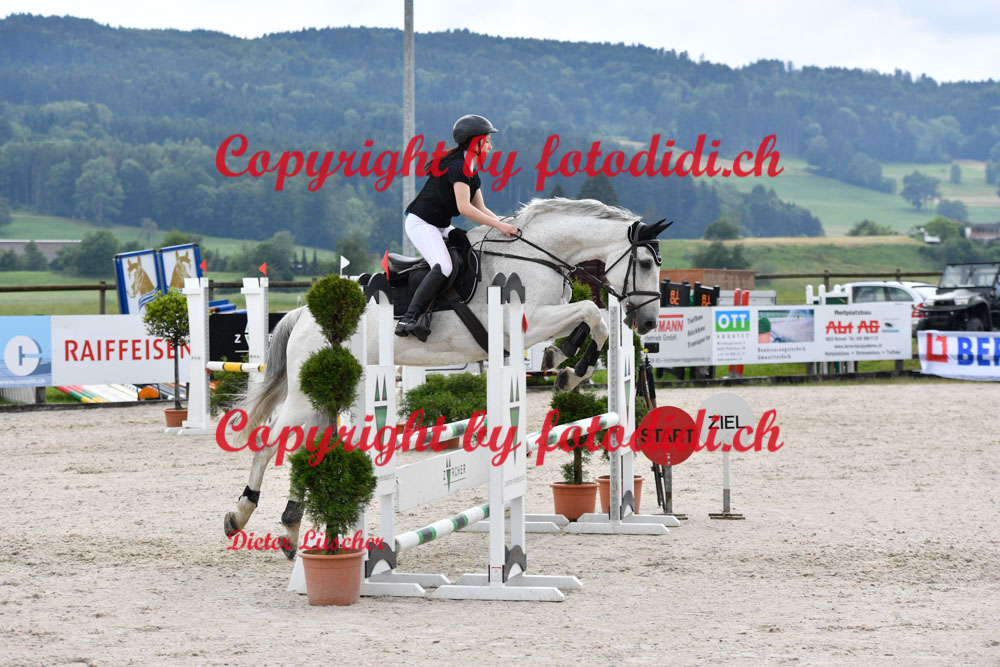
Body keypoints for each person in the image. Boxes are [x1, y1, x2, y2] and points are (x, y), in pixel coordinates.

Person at [395, 114, 519, 340]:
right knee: (443, 266)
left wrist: (507, 224)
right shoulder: (459, 167)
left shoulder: (470, 169)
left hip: (440, 225)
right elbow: (465, 209)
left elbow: (481, 207)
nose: (491, 147)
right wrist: (500, 227)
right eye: (487, 141)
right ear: (475, 142)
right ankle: (410, 317)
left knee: (467, 247)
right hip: (421, 223)